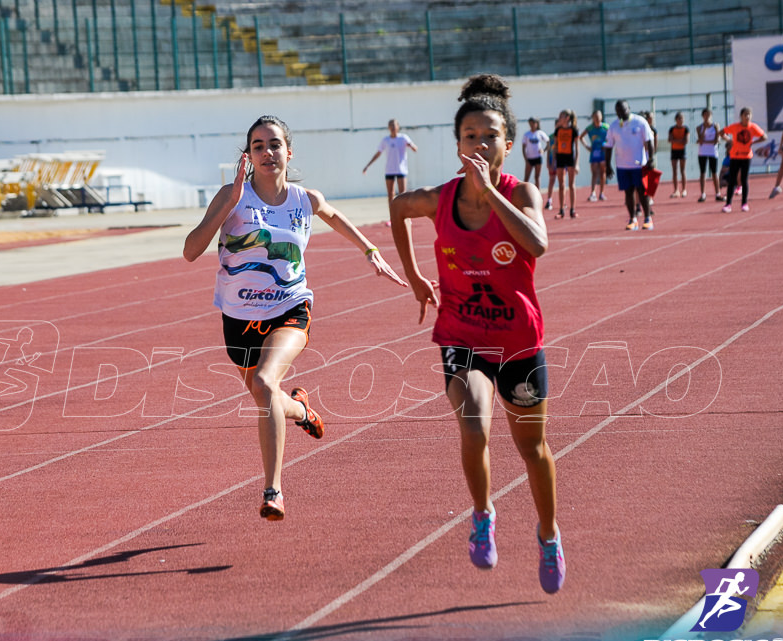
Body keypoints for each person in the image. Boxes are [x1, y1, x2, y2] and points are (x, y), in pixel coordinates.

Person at [388, 74, 564, 594]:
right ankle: (483, 514)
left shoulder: (522, 192)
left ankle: (548, 535)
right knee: (474, 426)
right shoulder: (439, 199)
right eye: (470, 136)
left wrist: (491, 193)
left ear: (508, 145)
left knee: (532, 448)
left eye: (490, 136)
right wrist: (416, 274)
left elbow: (538, 244)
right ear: (457, 144)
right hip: (462, 336)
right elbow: (397, 209)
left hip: (519, 342)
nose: (480, 145)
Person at [185, 115, 406, 521]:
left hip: (290, 308)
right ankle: (302, 410)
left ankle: (273, 490)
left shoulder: (305, 200)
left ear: (289, 151)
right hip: (238, 317)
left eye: (274, 145)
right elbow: (190, 250)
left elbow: (335, 216)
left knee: (267, 383)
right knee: (267, 397)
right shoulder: (232, 196)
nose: (267, 153)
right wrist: (228, 204)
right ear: (248, 156)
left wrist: (371, 252)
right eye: (257, 146)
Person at [604, 100, 655, 230]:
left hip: (639, 164)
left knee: (643, 192)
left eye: (623, 109)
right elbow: (609, 146)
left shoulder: (640, 122)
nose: (621, 112)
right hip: (623, 166)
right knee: (628, 193)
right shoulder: (614, 126)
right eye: (618, 111)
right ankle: (632, 219)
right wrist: (608, 165)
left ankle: (648, 218)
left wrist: (651, 159)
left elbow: (649, 140)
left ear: (629, 108)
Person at [362, 118, 418, 212]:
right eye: (391, 125)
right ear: (388, 127)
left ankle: (405, 215)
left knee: (402, 194)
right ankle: (393, 216)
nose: (392, 127)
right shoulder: (385, 140)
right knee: (391, 194)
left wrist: (412, 146)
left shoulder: (403, 138)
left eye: (394, 125)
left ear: (398, 126)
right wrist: (368, 165)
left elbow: (415, 148)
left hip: (401, 170)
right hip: (389, 170)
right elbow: (378, 153)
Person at [720, 107, 767, 213]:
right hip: (735, 156)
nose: (747, 117)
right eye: (745, 114)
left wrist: (754, 142)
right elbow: (721, 132)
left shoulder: (753, 127)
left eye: (749, 114)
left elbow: (764, 136)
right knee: (732, 181)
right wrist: (729, 140)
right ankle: (728, 204)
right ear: (741, 116)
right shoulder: (735, 127)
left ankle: (744, 203)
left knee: (744, 180)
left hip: (746, 157)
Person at [553, 109, 579, 219]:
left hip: (570, 157)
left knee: (571, 185)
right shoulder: (557, 130)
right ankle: (561, 210)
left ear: (567, 118)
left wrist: (576, 163)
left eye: (561, 116)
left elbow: (577, 148)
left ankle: (572, 209)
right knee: (561, 185)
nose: (559, 118)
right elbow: (555, 146)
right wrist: (553, 161)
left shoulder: (573, 130)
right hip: (560, 158)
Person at [579, 110, 608, 201]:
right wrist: (587, 146)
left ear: (601, 117)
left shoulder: (606, 127)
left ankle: (602, 193)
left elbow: (612, 137)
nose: (597, 118)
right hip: (594, 152)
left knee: (603, 172)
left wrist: (607, 145)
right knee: (594, 172)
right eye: (595, 117)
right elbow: (581, 137)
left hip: (603, 152)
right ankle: (593, 193)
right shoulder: (590, 128)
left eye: (598, 116)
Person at [695, 108, 722, 202]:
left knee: (714, 172)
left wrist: (706, 141)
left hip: (713, 152)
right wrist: (704, 130)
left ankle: (718, 193)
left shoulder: (715, 126)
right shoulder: (699, 127)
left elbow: (716, 141)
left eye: (709, 115)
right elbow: (700, 140)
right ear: (703, 116)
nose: (707, 117)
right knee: (703, 173)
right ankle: (703, 194)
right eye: (705, 115)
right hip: (702, 152)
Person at [521, 118, 550, 191]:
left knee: (537, 177)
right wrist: (526, 159)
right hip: (530, 158)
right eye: (530, 124)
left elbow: (548, 141)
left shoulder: (540, 133)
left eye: (533, 124)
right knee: (526, 177)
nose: (531, 125)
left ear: (536, 124)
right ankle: (523, 193)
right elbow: (523, 147)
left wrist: (543, 150)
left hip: (538, 157)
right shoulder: (527, 135)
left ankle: (538, 193)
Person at [668, 112, 689, 198]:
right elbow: (670, 139)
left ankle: (684, 189)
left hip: (682, 151)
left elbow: (686, 141)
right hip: (674, 151)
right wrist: (679, 140)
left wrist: (676, 140)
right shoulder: (672, 129)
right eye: (679, 118)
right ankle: (676, 190)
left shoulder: (686, 129)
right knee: (674, 171)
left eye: (682, 118)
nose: (680, 120)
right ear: (676, 119)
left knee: (682, 170)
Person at [544, 130, 557, 211]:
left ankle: (563, 202)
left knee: (562, 181)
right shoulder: (550, 137)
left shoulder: (563, 135)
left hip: (560, 162)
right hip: (552, 162)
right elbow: (549, 150)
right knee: (551, 180)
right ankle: (549, 200)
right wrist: (548, 162)